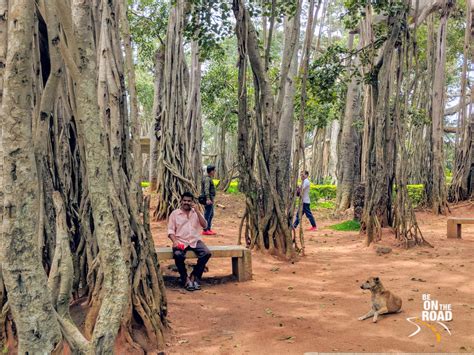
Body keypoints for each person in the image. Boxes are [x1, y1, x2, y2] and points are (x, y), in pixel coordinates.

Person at [168, 192, 212, 291]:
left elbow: (205, 226)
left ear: (192, 202)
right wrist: (175, 241)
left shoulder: (196, 213)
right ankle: (185, 279)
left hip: (195, 240)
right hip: (180, 240)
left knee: (206, 253)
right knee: (178, 255)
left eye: (189, 201)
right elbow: (170, 231)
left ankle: (194, 276)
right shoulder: (175, 214)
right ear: (181, 201)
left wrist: (197, 212)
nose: (186, 202)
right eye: (185, 200)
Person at [201, 165, 217, 235]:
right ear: (211, 171)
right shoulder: (207, 179)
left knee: (211, 214)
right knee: (207, 214)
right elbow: (206, 189)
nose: (214, 172)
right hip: (208, 199)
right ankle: (205, 230)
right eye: (214, 171)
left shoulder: (208, 178)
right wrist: (208, 199)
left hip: (211, 199)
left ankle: (209, 228)